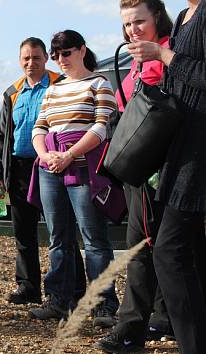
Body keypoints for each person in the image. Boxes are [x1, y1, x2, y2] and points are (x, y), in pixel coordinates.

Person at [94, 1, 176, 352]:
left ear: (157, 17)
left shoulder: (173, 53)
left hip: (158, 167)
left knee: (140, 246)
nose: (132, 30)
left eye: (139, 21)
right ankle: (164, 317)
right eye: (127, 24)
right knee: (157, 245)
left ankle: (130, 330)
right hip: (140, 168)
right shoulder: (136, 61)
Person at [125, 0, 206, 352]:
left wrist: (163, 54)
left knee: (170, 252)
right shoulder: (186, 18)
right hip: (181, 147)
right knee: (189, 251)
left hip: (199, 147)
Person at [27, 30, 119, 328]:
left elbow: (101, 127)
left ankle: (102, 304)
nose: (61, 60)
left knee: (93, 238)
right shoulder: (53, 90)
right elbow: (39, 127)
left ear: (81, 50)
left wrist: (70, 155)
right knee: (58, 237)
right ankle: (58, 301)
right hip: (50, 168)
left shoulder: (99, 84)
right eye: (56, 55)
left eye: (66, 53)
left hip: (83, 168)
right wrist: (45, 155)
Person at [0, 37, 65, 304]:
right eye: (26, 58)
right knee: (23, 232)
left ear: (46, 58)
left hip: (53, 167)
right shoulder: (12, 92)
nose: (31, 63)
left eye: (36, 57)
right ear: (19, 61)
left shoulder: (62, 84)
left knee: (61, 232)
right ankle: (28, 287)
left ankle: (69, 290)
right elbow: (1, 136)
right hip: (19, 169)